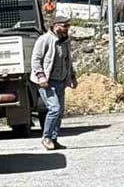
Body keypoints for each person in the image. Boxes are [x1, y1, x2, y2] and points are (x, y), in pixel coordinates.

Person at [31, 16, 77, 150]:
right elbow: (36, 59)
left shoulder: (65, 42)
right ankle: (46, 137)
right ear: (56, 26)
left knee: (60, 111)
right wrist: (41, 76)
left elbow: (68, 61)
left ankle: (54, 139)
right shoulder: (44, 40)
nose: (67, 29)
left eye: (68, 26)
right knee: (54, 109)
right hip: (47, 82)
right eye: (65, 26)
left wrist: (72, 76)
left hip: (61, 81)